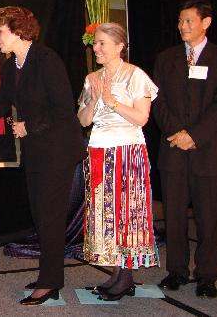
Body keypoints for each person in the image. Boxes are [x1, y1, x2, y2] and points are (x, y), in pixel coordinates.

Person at [0, 6, 85, 305]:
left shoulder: (46, 60)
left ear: (16, 30)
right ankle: (49, 275)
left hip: (58, 149)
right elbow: (0, 104)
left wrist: (30, 126)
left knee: (49, 215)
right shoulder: (11, 66)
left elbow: (65, 110)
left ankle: (50, 283)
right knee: (41, 214)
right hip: (37, 150)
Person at [153, 0, 217, 299]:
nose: (182, 26)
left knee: (208, 217)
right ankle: (176, 271)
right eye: (179, 21)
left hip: (209, 152)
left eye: (188, 21)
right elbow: (158, 101)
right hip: (173, 150)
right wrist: (176, 132)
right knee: (174, 216)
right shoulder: (166, 59)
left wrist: (194, 135)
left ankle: (206, 276)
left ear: (206, 23)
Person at [77, 22, 159, 301]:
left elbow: (142, 118)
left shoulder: (135, 75)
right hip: (98, 149)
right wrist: (95, 99)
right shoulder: (92, 78)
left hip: (127, 150)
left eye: (102, 43)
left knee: (127, 212)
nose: (96, 48)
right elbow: (83, 120)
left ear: (119, 46)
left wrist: (111, 102)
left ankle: (125, 276)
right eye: (95, 43)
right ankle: (118, 272)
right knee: (104, 212)